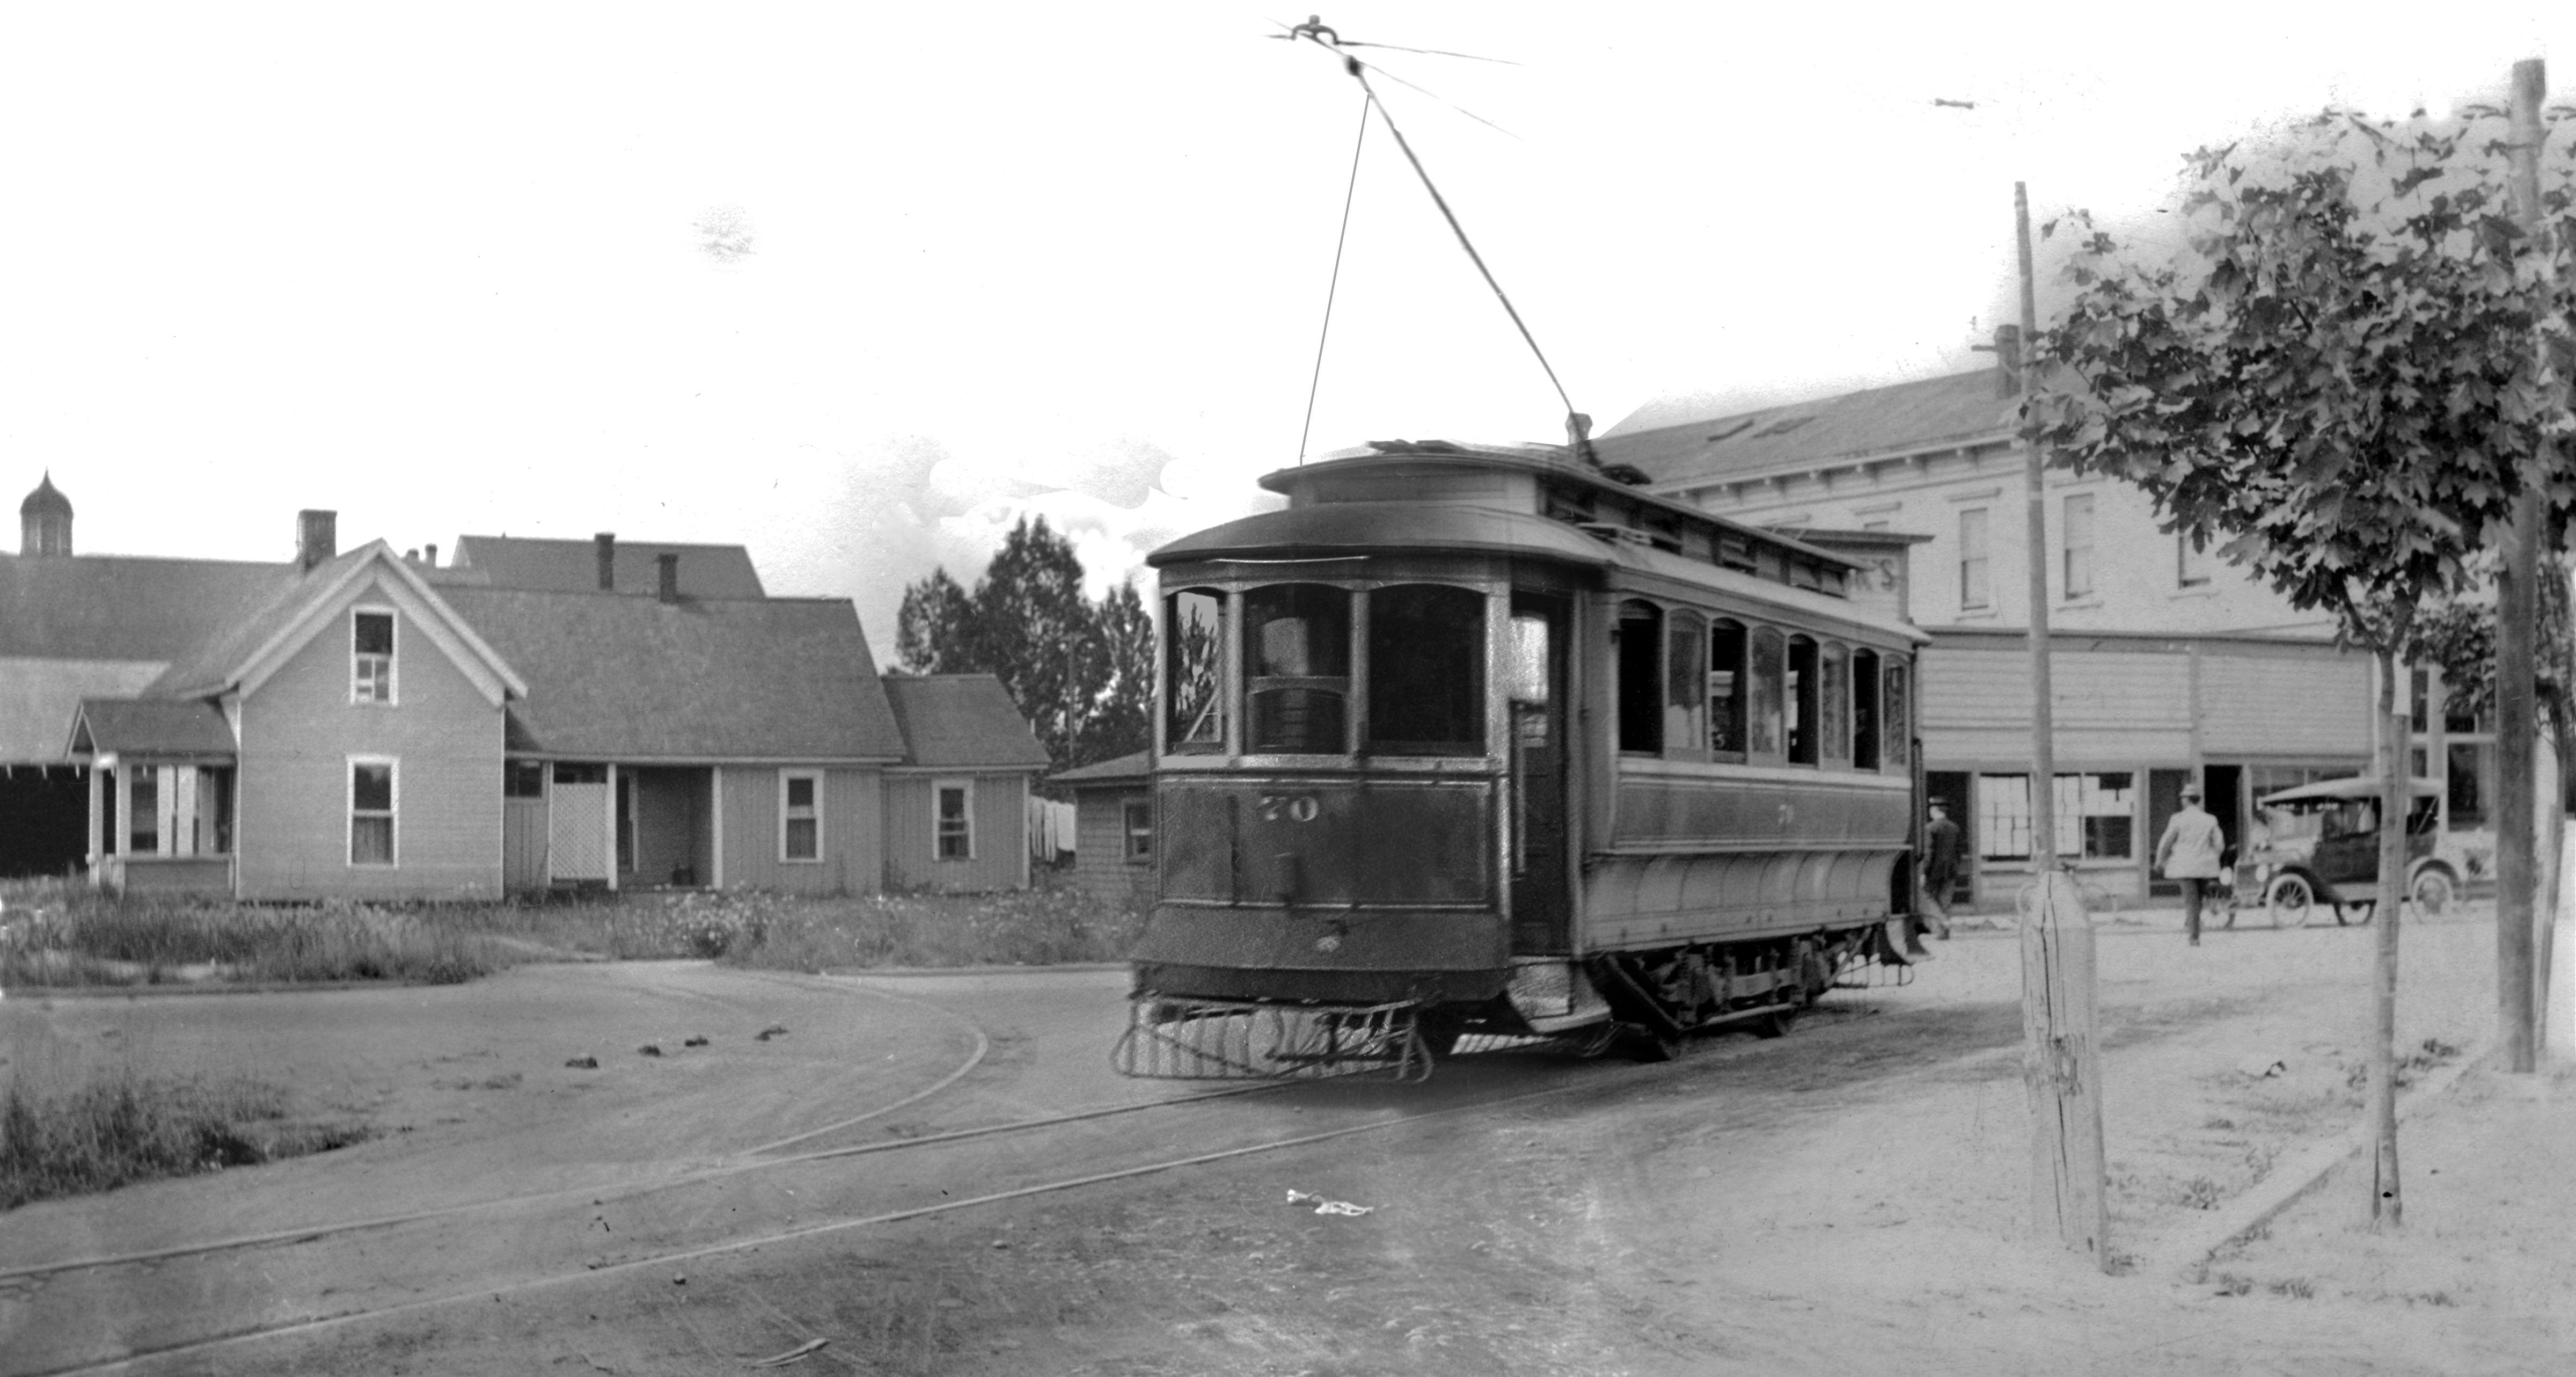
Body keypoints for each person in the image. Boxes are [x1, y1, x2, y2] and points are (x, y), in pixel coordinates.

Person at [2154, 784, 2228, 946]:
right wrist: (2211, 857)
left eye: (2183, 798)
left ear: (2186, 800)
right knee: (2198, 900)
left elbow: (2166, 842)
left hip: (2185, 867)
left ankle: (2194, 937)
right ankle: (2191, 924)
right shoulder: (2210, 819)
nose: (2182, 801)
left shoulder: (2178, 819)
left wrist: (2159, 860)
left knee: (2191, 901)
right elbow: (2220, 845)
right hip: (2205, 867)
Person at [1919, 802, 1962, 943]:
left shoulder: (1930, 828)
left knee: (1927, 897)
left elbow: (1929, 852)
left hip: (1933, 870)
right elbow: (1958, 852)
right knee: (1945, 901)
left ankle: (1942, 922)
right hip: (1951, 870)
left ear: (1935, 810)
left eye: (1931, 809)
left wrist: (1924, 872)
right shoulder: (1955, 828)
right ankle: (1944, 934)